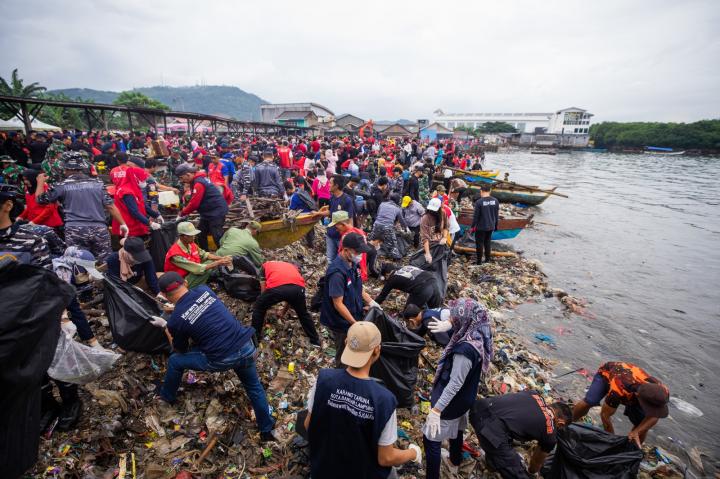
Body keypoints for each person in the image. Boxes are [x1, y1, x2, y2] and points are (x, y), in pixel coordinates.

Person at [149, 272, 277, 441]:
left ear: (164, 295)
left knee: (175, 361)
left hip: (222, 358)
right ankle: (266, 430)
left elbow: (179, 349)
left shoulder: (176, 320)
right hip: (246, 347)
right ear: (185, 283)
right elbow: (200, 309)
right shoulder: (205, 290)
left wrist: (166, 326)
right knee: (254, 387)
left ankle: (167, 396)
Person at [303, 321, 422, 479]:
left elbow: (307, 425)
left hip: (324, 470)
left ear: (346, 344)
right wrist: (413, 453)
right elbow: (386, 458)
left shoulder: (323, 379)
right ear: (377, 350)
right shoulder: (384, 400)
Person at [421, 298, 494, 479]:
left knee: (431, 439)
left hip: (451, 403)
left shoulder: (465, 350)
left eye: (455, 318)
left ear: (466, 320)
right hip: (466, 398)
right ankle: (455, 460)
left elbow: (455, 383)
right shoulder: (478, 335)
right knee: (457, 431)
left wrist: (437, 410)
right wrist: (449, 323)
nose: (453, 320)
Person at [37, 152, 127, 262]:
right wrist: (123, 224)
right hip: (99, 229)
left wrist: (40, 182)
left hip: (75, 230)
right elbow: (110, 206)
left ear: (65, 168)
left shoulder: (61, 185)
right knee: (104, 263)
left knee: (80, 265)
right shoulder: (98, 183)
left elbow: (40, 200)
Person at [470, 392, 572, 478]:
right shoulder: (550, 433)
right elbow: (535, 463)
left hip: (478, 408)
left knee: (505, 440)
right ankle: (496, 462)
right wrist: (532, 473)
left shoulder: (534, 394)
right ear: (560, 423)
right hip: (488, 430)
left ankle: (492, 463)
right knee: (519, 474)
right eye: (560, 428)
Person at [571, 361, 670, 447]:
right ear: (638, 397)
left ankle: (632, 450)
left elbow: (655, 416)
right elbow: (605, 415)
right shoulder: (618, 390)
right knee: (590, 401)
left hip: (633, 384)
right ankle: (569, 422)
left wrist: (637, 432)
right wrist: (613, 441)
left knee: (641, 424)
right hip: (607, 374)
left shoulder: (662, 392)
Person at [319, 232, 378, 367]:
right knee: (343, 351)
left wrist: (371, 302)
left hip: (353, 314)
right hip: (340, 322)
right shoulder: (337, 273)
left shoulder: (353, 265)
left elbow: (359, 288)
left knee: (353, 346)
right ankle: (341, 376)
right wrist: (354, 323)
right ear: (345, 250)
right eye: (357, 251)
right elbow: (338, 304)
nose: (360, 255)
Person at [252, 261, 321, 346]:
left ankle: (255, 339)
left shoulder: (264, 267)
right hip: (298, 288)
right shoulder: (290, 266)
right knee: (303, 314)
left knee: (258, 308)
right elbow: (290, 296)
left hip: (277, 288)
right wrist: (283, 312)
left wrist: (264, 306)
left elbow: (263, 291)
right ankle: (315, 341)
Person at [175, 163, 228, 251]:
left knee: (217, 235)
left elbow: (194, 203)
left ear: (188, 174)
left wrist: (182, 213)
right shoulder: (197, 180)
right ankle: (205, 253)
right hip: (209, 212)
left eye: (181, 177)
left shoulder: (199, 183)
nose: (181, 180)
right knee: (200, 233)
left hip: (216, 211)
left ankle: (225, 256)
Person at [163, 221, 232, 288]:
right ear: (183, 236)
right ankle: (191, 289)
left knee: (211, 262)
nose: (194, 237)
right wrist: (219, 262)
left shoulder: (191, 244)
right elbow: (197, 269)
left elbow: (205, 254)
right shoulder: (175, 254)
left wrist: (221, 258)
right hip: (179, 282)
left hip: (189, 274)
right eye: (191, 235)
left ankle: (199, 284)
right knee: (208, 268)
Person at [375, 264, 442, 310]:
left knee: (409, 312)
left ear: (387, 274)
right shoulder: (406, 267)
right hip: (433, 281)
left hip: (422, 288)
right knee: (435, 311)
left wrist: (373, 304)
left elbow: (382, 296)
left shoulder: (392, 279)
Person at [323, 175, 355, 262]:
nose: (328, 185)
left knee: (342, 260)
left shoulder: (347, 200)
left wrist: (349, 236)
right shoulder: (332, 197)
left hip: (340, 237)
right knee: (330, 259)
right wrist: (318, 214)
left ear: (336, 186)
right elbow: (331, 212)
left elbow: (350, 219)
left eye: (330, 183)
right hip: (330, 234)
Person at [368, 193, 407, 260]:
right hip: (387, 227)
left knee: (373, 240)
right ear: (398, 200)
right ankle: (396, 258)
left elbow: (378, 214)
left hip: (377, 225)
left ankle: (368, 252)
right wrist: (406, 228)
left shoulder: (382, 204)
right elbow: (402, 221)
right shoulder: (397, 208)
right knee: (393, 244)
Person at [472, 184, 499, 265]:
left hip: (481, 226)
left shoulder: (479, 202)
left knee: (479, 243)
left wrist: (472, 227)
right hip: (491, 225)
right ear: (490, 191)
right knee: (487, 242)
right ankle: (487, 260)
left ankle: (479, 262)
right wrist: (496, 226)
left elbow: (476, 216)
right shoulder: (495, 201)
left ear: (481, 191)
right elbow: (496, 215)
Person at [420, 198, 448, 265]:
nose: (432, 211)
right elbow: (424, 237)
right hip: (428, 245)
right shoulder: (425, 218)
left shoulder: (443, 213)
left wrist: (444, 237)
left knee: (439, 264)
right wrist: (427, 253)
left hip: (440, 244)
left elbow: (445, 227)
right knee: (427, 263)